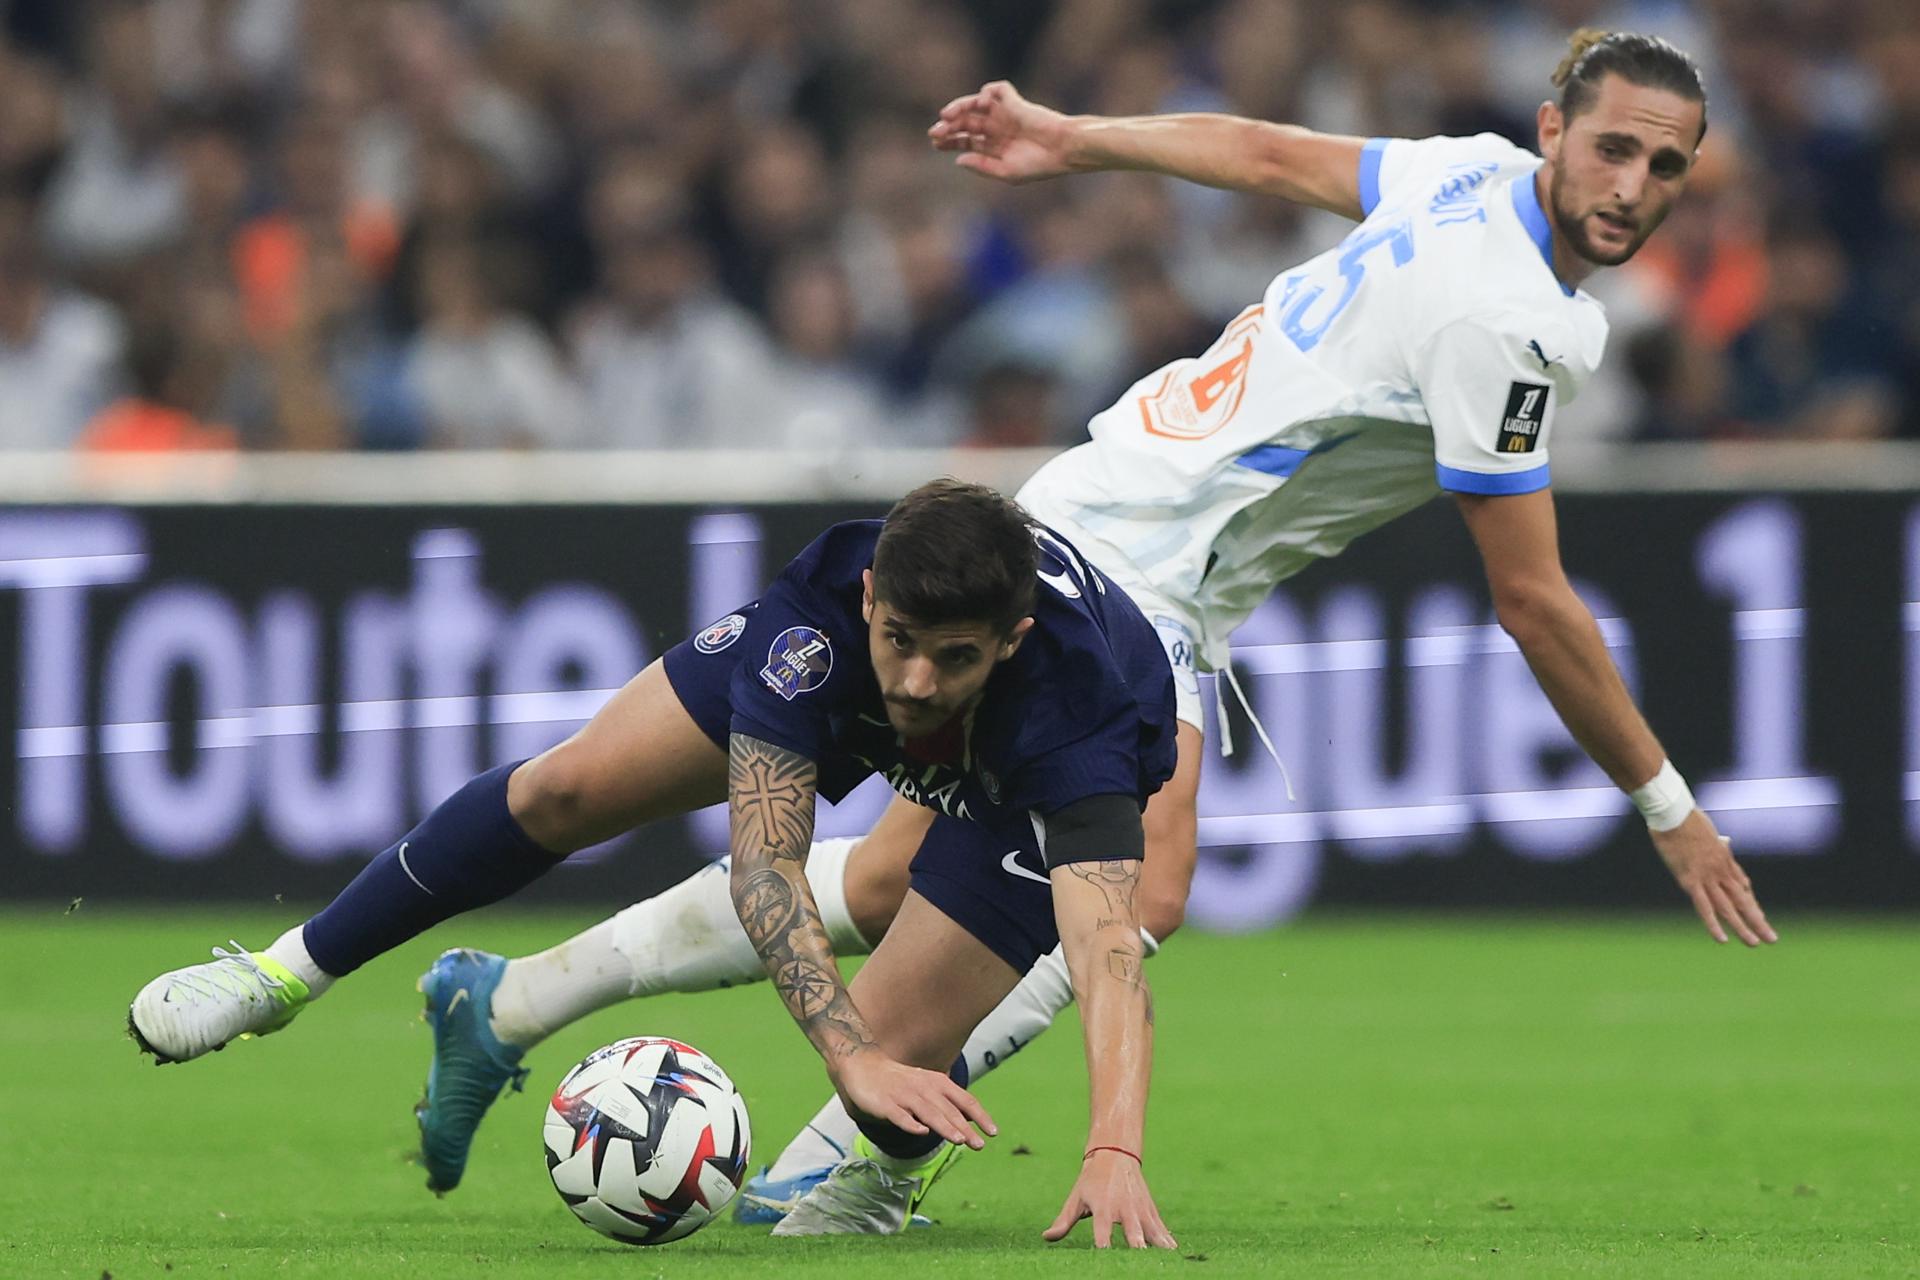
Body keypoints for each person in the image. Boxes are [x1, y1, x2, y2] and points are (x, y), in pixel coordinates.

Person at [389, 27, 1780, 1228]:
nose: (1633, 188)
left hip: (1113, 498)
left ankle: (513, 1004)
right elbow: (1532, 600)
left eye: (1667, 168)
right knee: (1141, 888)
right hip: (1149, 566)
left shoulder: (1468, 171)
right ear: (1557, 127)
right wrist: (1667, 804)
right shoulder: (1514, 321)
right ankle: (850, 1167)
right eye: (1612, 150)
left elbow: (1264, 150)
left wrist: (1074, 135)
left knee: (886, 887)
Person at [129, 479, 1182, 1251]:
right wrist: (841, 1048)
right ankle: (278, 975)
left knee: (897, 1066)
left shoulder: (1079, 716)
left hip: (1006, 775)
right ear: (869, 597)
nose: (913, 678)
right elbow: (764, 868)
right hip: (892, 691)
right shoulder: (811, 631)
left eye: (952, 654)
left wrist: (1114, 1146)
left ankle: (887, 1174)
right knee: (566, 787)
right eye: (898, 637)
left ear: (1011, 640)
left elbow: (1104, 943)